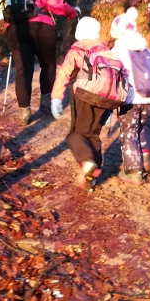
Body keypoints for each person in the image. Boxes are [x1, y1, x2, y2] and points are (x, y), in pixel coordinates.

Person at [7, 0, 80, 125]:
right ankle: (46, 103)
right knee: (48, 64)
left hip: (15, 29)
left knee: (22, 71)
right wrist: (72, 12)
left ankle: (24, 111)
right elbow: (53, 2)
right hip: (41, 26)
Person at [50, 17, 111, 190]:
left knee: (77, 135)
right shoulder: (106, 51)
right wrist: (110, 111)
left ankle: (88, 162)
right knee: (93, 134)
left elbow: (64, 74)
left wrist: (56, 98)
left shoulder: (77, 50)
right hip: (104, 97)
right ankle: (91, 179)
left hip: (83, 95)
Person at [110, 7, 150, 185]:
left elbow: (113, 75)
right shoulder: (145, 48)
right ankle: (145, 158)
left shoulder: (119, 50)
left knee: (128, 133)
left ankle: (133, 172)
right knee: (139, 128)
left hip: (131, 99)